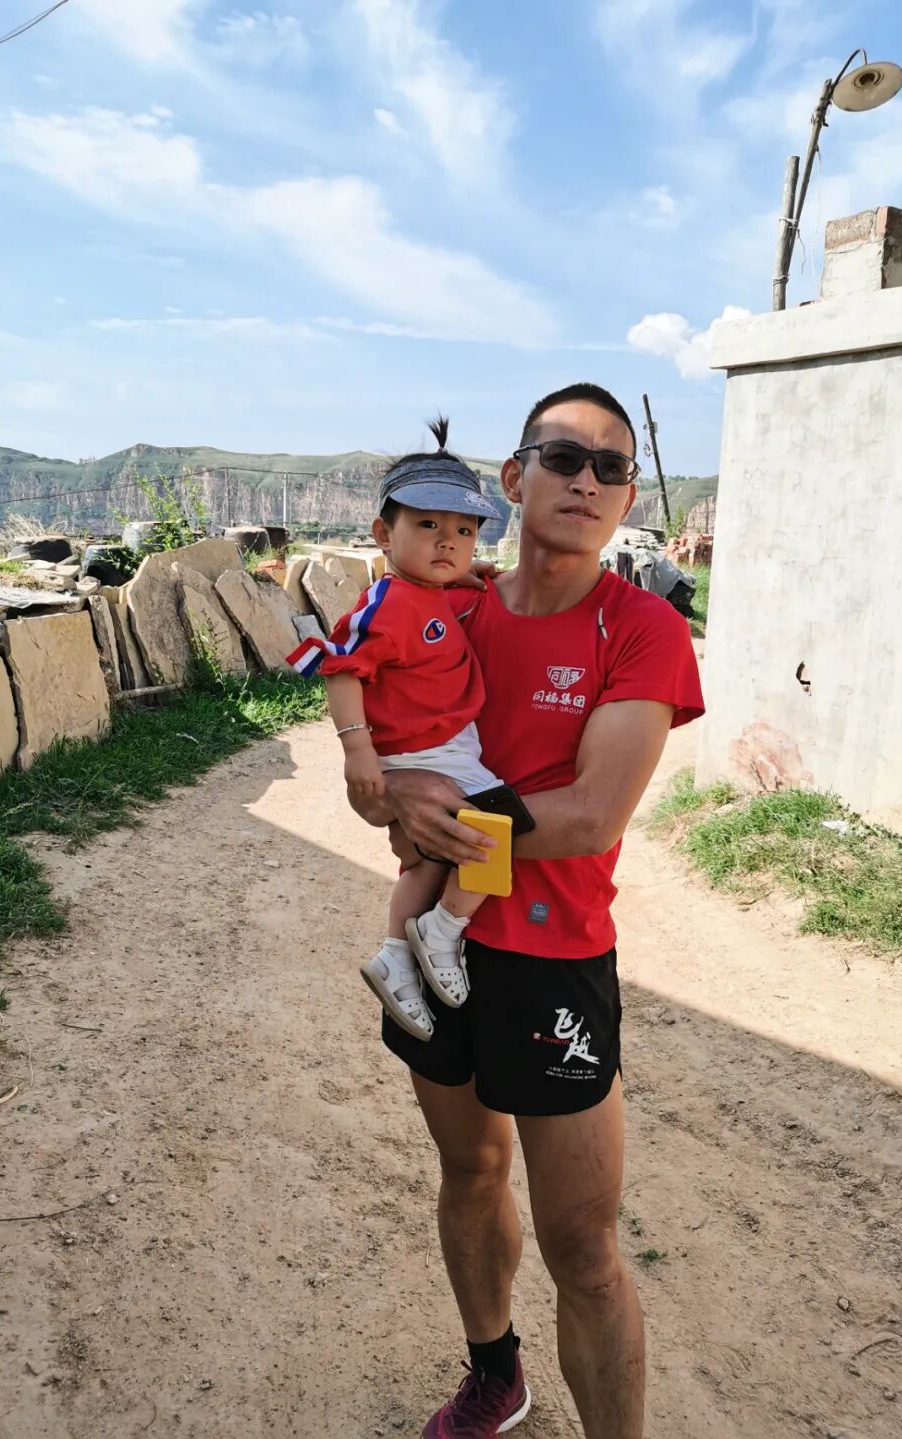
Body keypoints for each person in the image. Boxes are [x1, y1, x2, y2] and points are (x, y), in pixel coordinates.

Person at [349, 383, 705, 1439]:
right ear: (514, 477)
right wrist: (384, 787)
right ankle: (494, 1373)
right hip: (437, 948)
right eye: (563, 457)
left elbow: (590, 816)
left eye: (612, 466)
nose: (587, 481)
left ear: (628, 494)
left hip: (555, 959)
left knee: (585, 1250)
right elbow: (377, 759)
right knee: (468, 1172)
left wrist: (435, 813)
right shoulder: (451, 605)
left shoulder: (642, 627)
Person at [286, 420, 510, 1043]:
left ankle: (395, 955)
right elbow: (341, 667)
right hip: (427, 752)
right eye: (428, 525)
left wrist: (462, 574)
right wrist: (357, 749)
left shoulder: (429, 592)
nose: (448, 542)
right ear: (385, 534)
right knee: (498, 834)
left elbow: (440, 592)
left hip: (445, 746)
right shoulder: (387, 603)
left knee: (428, 861)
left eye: (463, 531)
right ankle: (443, 929)